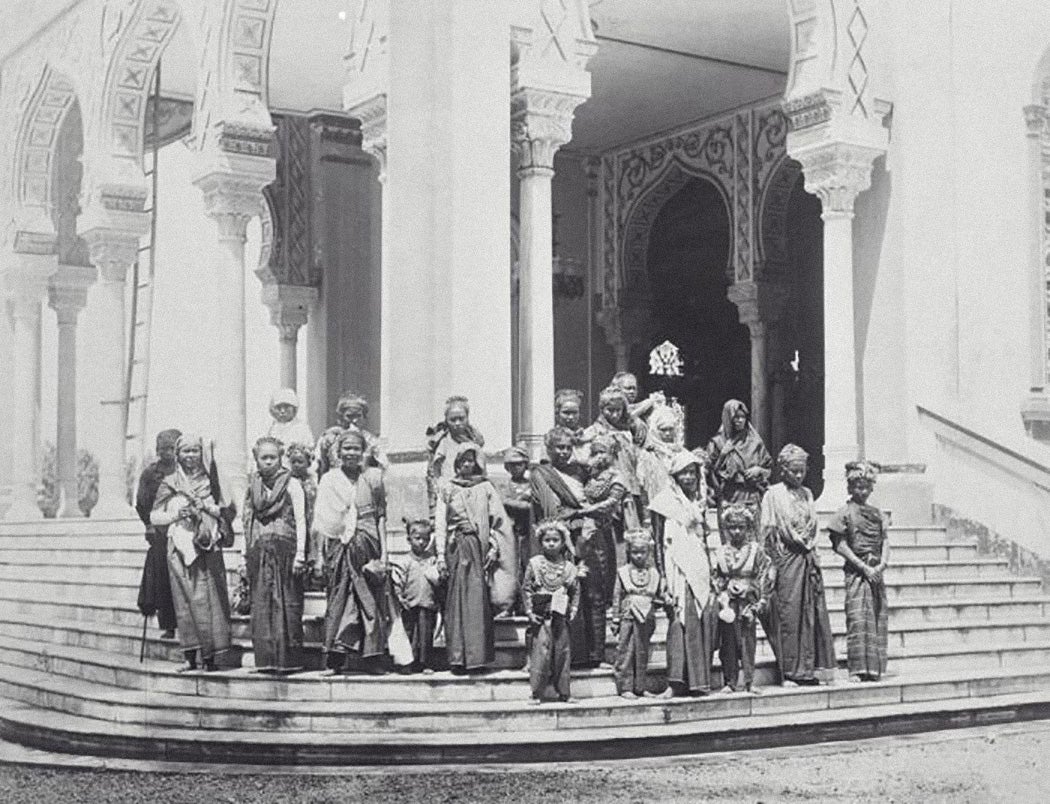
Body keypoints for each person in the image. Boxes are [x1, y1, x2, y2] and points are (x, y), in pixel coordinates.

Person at [150, 434, 234, 672]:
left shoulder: (213, 480)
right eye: (185, 451)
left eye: (195, 451)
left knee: (211, 601)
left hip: (208, 547)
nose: (190, 456)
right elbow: (155, 516)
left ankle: (211, 658)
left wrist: (206, 507)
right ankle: (189, 656)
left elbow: (228, 511)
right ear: (178, 455)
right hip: (180, 549)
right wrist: (177, 515)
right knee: (185, 602)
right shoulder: (170, 483)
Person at [314, 429, 390, 674]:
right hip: (339, 547)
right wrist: (318, 556)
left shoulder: (372, 478)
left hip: (367, 545)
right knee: (340, 598)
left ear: (363, 452)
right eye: (346, 448)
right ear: (338, 452)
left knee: (368, 601)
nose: (351, 453)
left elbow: (380, 518)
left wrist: (384, 554)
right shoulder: (329, 480)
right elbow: (322, 521)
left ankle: (372, 658)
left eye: (356, 448)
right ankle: (335, 658)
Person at [760, 443, 836, 686]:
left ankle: (809, 668)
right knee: (788, 616)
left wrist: (808, 543)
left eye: (802, 470)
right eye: (794, 471)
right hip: (786, 559)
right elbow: (768, 531)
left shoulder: (807, 493)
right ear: (783, 470)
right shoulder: (773, 494)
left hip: (806, 557)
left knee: (811, 613)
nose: (799, 475)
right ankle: (790, 671)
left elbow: (813, 524)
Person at [434, 442, 509, 671]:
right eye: (463, 460)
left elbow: (497, 521)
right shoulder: (447, 488)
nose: (467, 465)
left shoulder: (485, 487)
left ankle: (478, 657)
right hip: (456, 546)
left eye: (471, 460)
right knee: (456, 601)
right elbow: (440, 522)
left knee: (477, 601)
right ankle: (458, 657)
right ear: (456, 463)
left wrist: (494, 548)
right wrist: (439, 555)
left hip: (478, 547)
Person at [648, 451, 718, 697]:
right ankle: (675, 683)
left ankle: (699, 683)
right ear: (675, 476)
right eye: (683, 473)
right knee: (678, 624)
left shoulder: (699, 503)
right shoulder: (663, 502)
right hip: (675, 568)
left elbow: (705, 539)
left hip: (698, 568)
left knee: (701, 623)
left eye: (692, 472)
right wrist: (663, 578)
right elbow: (657, 541)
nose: (688, 477)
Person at [241, 437, 307, 673]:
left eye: (273, 457)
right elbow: (247, 521)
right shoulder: (253, 486)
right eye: (263, 457)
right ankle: (266, 661)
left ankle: (288, 661)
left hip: (285, 553)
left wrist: (300, 555)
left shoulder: (292, 484)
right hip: (259, 553)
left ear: (281, 458)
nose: (268, 462)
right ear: (256, 459)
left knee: (287, 605)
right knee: (262, 607)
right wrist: (243, 555)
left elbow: (301, 520)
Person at [569, 433, 628, 668]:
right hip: (584, 536)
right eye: (595, 452)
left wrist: (583, 511)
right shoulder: (590, 475)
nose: (597, 457)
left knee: (598, 594)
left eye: (602, 452)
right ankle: (581, 651)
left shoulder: (617, 477)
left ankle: (598, 653)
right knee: (582, 592)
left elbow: (609, 505)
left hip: (604, 536)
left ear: (612, 454)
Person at [828, 460, 890, 682]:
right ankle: (856, 669)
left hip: (876, 572)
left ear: (871, 488)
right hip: (857, 572)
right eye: (857, 487)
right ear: (849, 488)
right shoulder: (843, 513)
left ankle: (875, 668)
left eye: (865, 487)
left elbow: (885, 541)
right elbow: (840, 545)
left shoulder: (878, 514)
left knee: (876, 617)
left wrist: (881, 565)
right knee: (857, 618)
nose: (861, 491)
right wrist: (863, 567)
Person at [712, 503, 772, 693]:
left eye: (741, 527)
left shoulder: (756, 550)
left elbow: (763, 575)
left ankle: (749, 681)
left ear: (748, 528)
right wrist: (722, 592)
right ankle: (729, 681)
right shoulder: (720, 552)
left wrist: (757, 600)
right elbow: (716, 576)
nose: (736, 531)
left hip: (748, 600)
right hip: (728, 602)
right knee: (728, 641)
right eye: (732, 527)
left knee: (747, 641)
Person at [522, 519, 580, 703]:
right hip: (541, 616)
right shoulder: (535, 564)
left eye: (556, 539)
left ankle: (564, 692)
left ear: (563, 542)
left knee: (562, 652)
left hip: (561, 616)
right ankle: (536, 692)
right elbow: (526, 588)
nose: (551, 543)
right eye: (547, 540)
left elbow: (576, 590)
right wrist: (530, 610)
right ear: (541, 542)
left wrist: (574, 608)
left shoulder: (569, 568)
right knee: (541, 654)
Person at [611, 528, 670, 699]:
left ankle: (640, 686)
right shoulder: (623, 572)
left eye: (642, 552)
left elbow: (658, 596)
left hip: (647, 616)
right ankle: (625, 686)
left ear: (648, 552)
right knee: (626, 651)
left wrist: (663, 599)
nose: (638, 556)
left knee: (642, 652)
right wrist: (615, 618)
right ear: (629, 551)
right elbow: (617, 596)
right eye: (635, 552)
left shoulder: (653, 573)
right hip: (628, 615)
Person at [135, 428, 181, 640]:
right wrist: (149, 524)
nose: (166, 453)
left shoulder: (185, 471)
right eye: (162, 449)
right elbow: (141, 503)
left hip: (183, 530)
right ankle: (169, 625)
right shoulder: (150, 474)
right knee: (162, 579)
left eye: (171, 448)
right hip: (159, 533)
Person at [583, 385, 647, 522]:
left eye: (618, 410)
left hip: (630, 485)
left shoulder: (627, 431)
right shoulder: (593, 432)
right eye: (609, 410)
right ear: (601, 409)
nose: (614, 415)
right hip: (607, 487)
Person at [390, 519, 443, 674]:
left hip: (428, 603)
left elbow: (437, 579)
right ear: (409, 540)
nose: (422, 542)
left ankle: (425, 663)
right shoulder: (404, 561)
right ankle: (407, 662)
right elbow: (397, 582)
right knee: (409, 634)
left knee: (426, 635)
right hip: (409, 604)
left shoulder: (432, 560)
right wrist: (400, 598)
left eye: (426, 539)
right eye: (418, 538)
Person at [705, 399, 772, 512]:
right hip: (728, 497)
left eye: (743, 417)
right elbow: (708, 473)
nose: (740, 420)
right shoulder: (717, 443)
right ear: (728, 418)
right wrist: (723, 455)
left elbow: (769, 469)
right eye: (736, 417)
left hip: (752, 496)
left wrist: (758, 470)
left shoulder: (755, 442)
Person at [426, 395, 486, 514]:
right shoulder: (442, 444)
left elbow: (482, 474)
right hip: (448, 497)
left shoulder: (475, 444)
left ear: (467, 418)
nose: (457, 423)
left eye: (461, 419)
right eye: (452, 420)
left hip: (472, 496)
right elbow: (434, 475)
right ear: (446, 420)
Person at [285, 442, 322, 590]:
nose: (296, 465)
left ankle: (312, 579)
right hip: (295, 521)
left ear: (308, 462)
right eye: (293, 462)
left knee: (312, 547)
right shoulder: (288, 482)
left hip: (311, 519)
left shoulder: (312, 482)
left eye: (300, 462)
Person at [501, 446, 533, 605]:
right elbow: (504, 502)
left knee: (528, 565)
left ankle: (527, 603)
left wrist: (524, 503)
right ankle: (511, 603)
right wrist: (521, 502)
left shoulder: (531, 485)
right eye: (512, 465)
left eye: (519, 464)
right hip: (511, 532)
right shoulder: (506, 486)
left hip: (529, 531)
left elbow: (535, 504)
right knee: (512, 567)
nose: (516, 468)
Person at [638, 402, 685, 501]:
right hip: (656, 500)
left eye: (670, 429)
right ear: (655, 430)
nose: (667, 433)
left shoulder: (680, 451)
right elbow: (642, 483)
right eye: (663, 430)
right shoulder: (648, 453)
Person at [333, 392, 387, 470]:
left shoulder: (371, 440)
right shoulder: (331, 437)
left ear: (364, 417)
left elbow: (384, 465)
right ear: (341, 418)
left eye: (358, 416)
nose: (354, 420)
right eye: (349, 416)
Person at [265, 388, 314, 454]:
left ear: (294, 409)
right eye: (278, 407)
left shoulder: (302, 428)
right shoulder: (271, 428)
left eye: (286, 407)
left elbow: (308, 451)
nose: (282, 411)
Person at [554, 388, 588, 464]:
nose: (571, 417)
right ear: (557, 413)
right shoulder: (551, 439)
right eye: (566, 413)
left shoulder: (586, 436)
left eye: (574, 413)